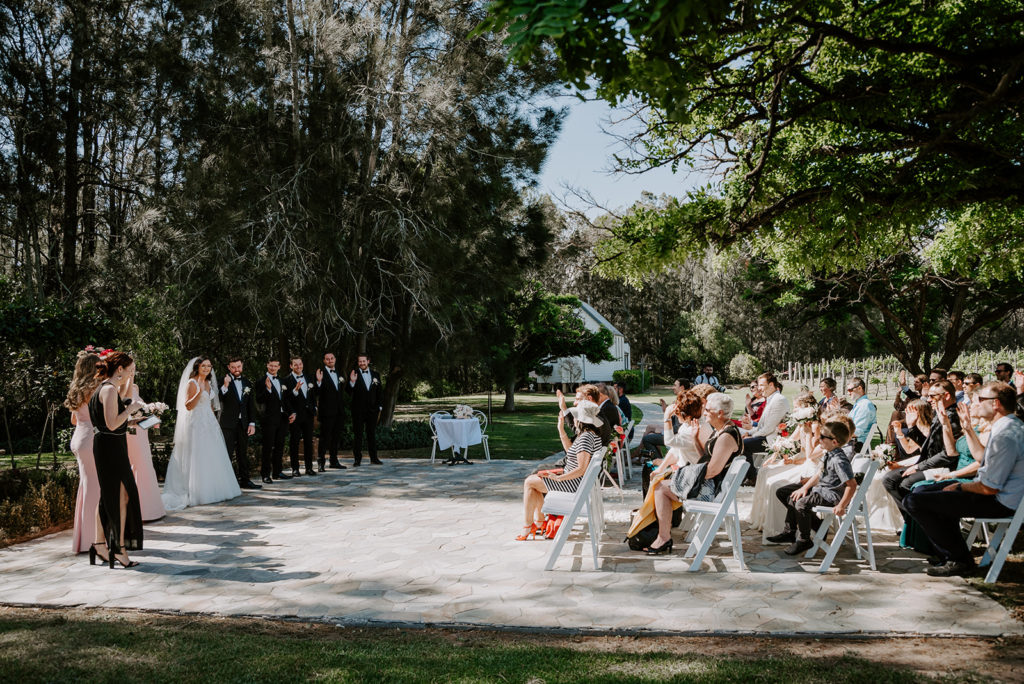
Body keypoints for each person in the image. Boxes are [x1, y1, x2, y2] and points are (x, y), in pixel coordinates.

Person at [904, 381, 1024, 577]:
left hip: (1001, 501)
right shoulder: (1008, 426)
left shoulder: (1007, 435)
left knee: (914, 501)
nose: (973, 403)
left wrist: (959, 487)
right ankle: (953, 555)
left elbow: (988, 488)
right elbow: (981, 459)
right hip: (995, 494)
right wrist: (968, 428)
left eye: (980, 400)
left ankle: (958, 559)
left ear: (996, 404)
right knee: (922, 491)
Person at [642, 392, 742, 555]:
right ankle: (662, 536)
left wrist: (684, 475)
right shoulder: (721, 430)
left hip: (711, 492)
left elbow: (712, 471)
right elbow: (705, 459)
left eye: (708, 410)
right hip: (712, 485)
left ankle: (663, 538)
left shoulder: (726, 436)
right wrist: (696, 440)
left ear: (720, 413)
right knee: (661, 484)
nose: (704, 412)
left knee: (660, 488)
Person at [88, 351, 146, 568]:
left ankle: (99, 544)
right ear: (120, 369)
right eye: (130, 368)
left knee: (109, 496)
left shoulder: (103, 388)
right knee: (121, 496)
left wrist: (134, 421)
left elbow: (110, 423)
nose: (132, 372)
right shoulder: (110, 390)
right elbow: (112, 424)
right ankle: (118, 548)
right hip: (110, 448)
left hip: (109, 444)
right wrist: (131, 408)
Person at [162, 357, 243, 510]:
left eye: (209, 366)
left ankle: (214, 489)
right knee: (197, 456)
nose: (206, 368)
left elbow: (210, 405)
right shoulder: (192, 382)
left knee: (212, 455)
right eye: (203, 366)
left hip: (209, 422)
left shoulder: (209, 383)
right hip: (196, 424)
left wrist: (213, 421)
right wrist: (198, 392)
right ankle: (197, 492)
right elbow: (188, 405)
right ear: (197, 367)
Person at [518, 400, 603, 540]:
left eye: (575, 416)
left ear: (580, 420)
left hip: (573, 484)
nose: (574, 419)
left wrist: (559, 478)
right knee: (533, 483)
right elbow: (571, 452)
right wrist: (561, 430)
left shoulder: (585, 438)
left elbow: (581, 468)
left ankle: (530, 525)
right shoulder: (590, 435)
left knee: (529, 482)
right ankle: (538, 523)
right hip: (576, 481)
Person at [769, 420, 857, 556]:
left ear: (834, 442)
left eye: (822, 437)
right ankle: (793, 531)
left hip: (830, 494)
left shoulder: (839, 460)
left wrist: (842, 505)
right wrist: (804, 487)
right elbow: (819, 474)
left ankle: (804, 539)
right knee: (785, 492)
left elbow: (851, 485)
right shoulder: (828, 453)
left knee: (801, 504)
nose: (819, 440)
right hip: (820, 489)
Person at [883, 380, 963, 518]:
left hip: (946, 467)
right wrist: (912, 426)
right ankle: (912, 518)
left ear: (947, 396)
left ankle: (917, 519)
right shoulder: (939, 414)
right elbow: (928, 445)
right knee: (889, 479)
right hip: (932, 463)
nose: (929, 399)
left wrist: (919, 466)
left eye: (933, 396)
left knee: (903, 483)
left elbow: (947, 454)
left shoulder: (953, 418)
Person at [749, 392, 824, 540]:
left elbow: (810, 455)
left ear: (806, 408)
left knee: (774, 484)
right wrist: (775, 456)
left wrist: (794, 458)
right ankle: (764, 520)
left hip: (810, 467)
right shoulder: (802, 424)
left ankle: (783, 528)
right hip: (802, 462)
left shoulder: (816, 427)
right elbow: (789, 441)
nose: (794, 411)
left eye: (796, 408)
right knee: (765, 471)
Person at [66, 349, 103, 554]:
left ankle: (84, 538)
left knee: (86, 487)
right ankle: (94, 539)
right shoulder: (96, 388)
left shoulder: (76, 389)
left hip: (78, 438)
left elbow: (74, 419)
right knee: (95, 490)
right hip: (90, 439)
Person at [126, 379, 166, 521]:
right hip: (130, 433)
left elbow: (141, 412)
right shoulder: (117, 389)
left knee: (146, 466)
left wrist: (153, 414)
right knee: (138, 466)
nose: (132, 373)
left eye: (133, 369)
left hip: (142, 432)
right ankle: (138, 512)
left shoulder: (135, 387)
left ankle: (152, 510)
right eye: (129, 369)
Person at [739, 373, 791, 483]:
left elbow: (768, 428)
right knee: (740, 441)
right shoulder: (770, 399)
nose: (759, 388)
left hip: (773, 439)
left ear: (771, 385)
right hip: (766, 435)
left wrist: (751, 436)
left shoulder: (778, 400)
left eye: (762, 385)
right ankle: (749, 476)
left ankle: (752, 477)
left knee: (743, 445)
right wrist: (749, 433)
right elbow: (761, 426)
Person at [219, 357, 261, 489]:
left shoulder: (247, 382)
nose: (236, 370)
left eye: (238, 367)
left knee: (242, 452)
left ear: (242, 366)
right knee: (227, 453)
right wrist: (225, 385)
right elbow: (219, 399)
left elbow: (250, 405)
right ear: (229, 367)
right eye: (233, 367)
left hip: (243, 423)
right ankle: (226, 482)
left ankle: (245, 480)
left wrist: (252, 423)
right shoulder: (222, 380)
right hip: (228, 424)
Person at [255, 359, 291, 483]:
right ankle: (265, 474)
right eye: (271, 365)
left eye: (276, 366)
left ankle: (277, 472)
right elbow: (259, 400)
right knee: (267, 447)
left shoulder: (282, 381)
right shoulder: (261, 381)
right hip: (269, 419)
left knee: (280, 445)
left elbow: (286, 399)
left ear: (279, 367)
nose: (273, 368)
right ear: (267, 365)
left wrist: (291, 413)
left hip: (283, 418)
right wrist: (268, 389)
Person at [283, 356, 318, 475]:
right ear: (291, 366)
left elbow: (312, 395)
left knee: (309, 442)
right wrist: (296, 391)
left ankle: (309, 468)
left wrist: (314, 408)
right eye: (295, 364)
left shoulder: (309, 377)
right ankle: (295, 469)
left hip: (308, 415)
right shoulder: (286, 380)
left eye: (300, 364)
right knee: (294, 442)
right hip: (295, 415)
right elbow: (286, 400)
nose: (298, 366)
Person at [347, 353, 383, 466]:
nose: (362, 363)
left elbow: (379, 392)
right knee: (358, 435)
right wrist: (352, 382)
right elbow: (348, 391)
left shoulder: (375, 374)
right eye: (360, 361)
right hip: (358, 410)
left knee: (371, 434)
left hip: (372, 411)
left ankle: (374, 458)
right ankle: (357, 459)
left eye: (363, 361)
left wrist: (379, 407)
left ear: (368, 361)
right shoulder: (354, 374)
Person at [315, 352, 347, 470]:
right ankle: (321, 462)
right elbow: (316, 393)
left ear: (335, 359)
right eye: (327, 359)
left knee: (336, 437)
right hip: (326, 412)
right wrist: (318, 381)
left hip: (338, 411)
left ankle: (334, 461)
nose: (330, 360)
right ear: (324, 361)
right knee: (324, 437)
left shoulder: (339, 373)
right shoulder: (320, 373)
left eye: (332, 358)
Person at [845, 377, 877, 451]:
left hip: (855, 445)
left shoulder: (865, 405)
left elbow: (857, 432)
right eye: (847, 390)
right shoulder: (859, 404)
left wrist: (837, 434)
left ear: (859, 388)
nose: (848, 393)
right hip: (850, 442)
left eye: (850, 390)